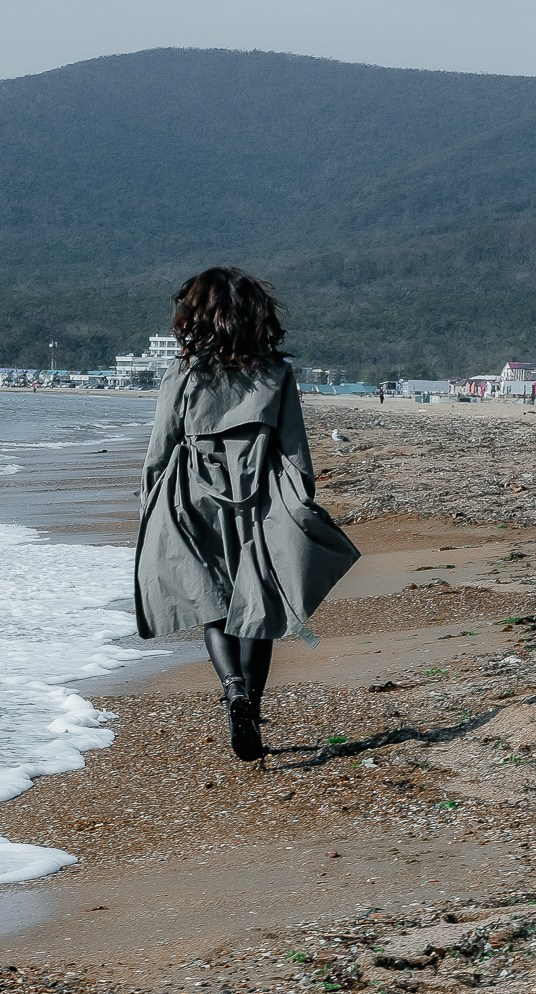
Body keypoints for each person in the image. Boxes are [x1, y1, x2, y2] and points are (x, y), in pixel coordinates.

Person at [133, 267, 361, 761]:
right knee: (258, 603)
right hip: (258, 492)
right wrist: (299, 505)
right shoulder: (275, 372)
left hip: (191, 492)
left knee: (211, 601)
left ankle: (232, 688)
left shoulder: (186, 371)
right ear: (255, 313)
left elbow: (161, 445)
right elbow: (294, 448)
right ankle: (251, 710)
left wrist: (149, 501)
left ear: (198, 314)